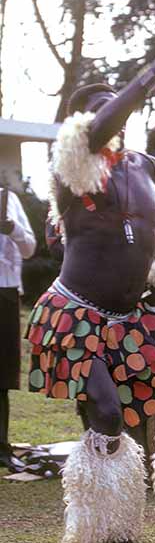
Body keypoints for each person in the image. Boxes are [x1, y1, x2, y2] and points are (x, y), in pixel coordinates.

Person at [26, 46, 155, 543]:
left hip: (131, 318)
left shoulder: (150, 169)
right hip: (74, 313)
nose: (107, 113)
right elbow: (96, 132)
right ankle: (103, 529)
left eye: (111, 103)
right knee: (107, 414)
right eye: (98, 107)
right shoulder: (74, 166)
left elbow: (152, 240)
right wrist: (150, 76)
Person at [0, 186, 37, 469]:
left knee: (2, 375)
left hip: (4, 292)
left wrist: (12, 228)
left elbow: (29, 249)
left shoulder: (6, 198)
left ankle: (2, 447)